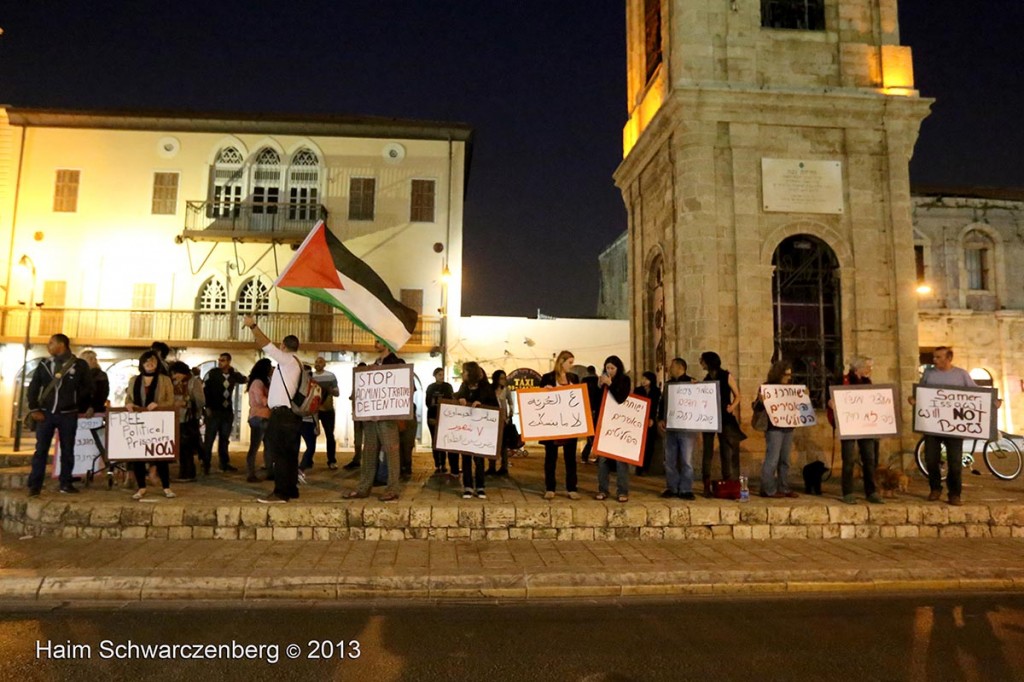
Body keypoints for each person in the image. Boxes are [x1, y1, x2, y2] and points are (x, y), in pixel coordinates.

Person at [243, 315, 304, 504]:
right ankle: (291, 489)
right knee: (290, 453)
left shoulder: (286, 360)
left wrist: (252, 325)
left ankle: (280, 493)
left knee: (280, 453)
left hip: (282, 414)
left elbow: (265, 344)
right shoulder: (297, 363)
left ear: (284, 346)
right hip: (291, 415)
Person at [25, 334, 94, 496]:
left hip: (68, 415)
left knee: (68, 449)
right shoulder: (45, 364)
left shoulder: (79, 365)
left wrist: (77, 404)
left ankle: (65, 483)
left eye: (51, 343)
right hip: (46, 414)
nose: (48, 346)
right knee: (40, 450)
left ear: (61, 344)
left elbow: (88, 388)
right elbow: (33, 387)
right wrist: (34, 408)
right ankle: (35, 485)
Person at [914, 346, 981, 506]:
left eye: (938, 357)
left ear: (948, 358)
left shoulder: (961, 375)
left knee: (955, 461)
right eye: (934, 357)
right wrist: (914, 400)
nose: (934, 360)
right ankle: (935, 488)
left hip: (954, 426)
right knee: (931, 459)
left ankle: (955, 493)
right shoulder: (929, 374)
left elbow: (977, 395)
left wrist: (993, 402)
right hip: (933, 425)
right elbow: (921, 393)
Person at [345, 341, 404, 502]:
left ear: (386, 343)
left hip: (387, 417)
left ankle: (392, 489)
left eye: (378, 341)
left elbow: (404, 388)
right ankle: (364, 488)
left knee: (391, 452)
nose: (375, 344)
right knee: (369, 452)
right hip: (371, 417)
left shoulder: (397, 363)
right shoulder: (374, 364)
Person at [828, 356, 883, 504]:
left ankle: (871, 491)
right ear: (858, 369)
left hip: (866, 426)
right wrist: (832, 404)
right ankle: (848, 492)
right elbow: (833, 398)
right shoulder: (843, 381)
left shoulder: (868, 383)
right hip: (849, 426)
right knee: (849, 460)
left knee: (869, 459)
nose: (870, 370)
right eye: (867, 367)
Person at [125, 350, 176, 500]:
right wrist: (129, 404)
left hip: (158, 422)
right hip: (138, 422)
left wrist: (158, 404)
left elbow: (170, 401)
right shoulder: (134, 380)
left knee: (160, 456)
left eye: (152, 361)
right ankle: (141, 487)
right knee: (138, 456)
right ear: (142, 364)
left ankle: (166, 487)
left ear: (157, 363)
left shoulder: (164, 380)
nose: (149, 364)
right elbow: (128, 398)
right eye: (146, 361)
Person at [539, 350, 582, 500]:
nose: (571, 365)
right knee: (551, 457)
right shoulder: (547, 378)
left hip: (570, 423)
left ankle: (572, 488)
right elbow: (539, 400)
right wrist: (545, 391)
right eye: (569, 362)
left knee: (570, 457)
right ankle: (550, 488)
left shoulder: (574, 378)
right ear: (561, 362)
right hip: (553, 423)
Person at [699, 351, 744, 494]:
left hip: (725, 417)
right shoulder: (706, 379)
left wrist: (732, 407)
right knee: (707, 450)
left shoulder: (726, 376)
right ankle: (706, 482)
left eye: (703, 360)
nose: (701, 362)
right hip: (709, 418)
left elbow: (738, 395)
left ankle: (728, 481)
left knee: (726, 449)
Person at [754, 361, 799, 499]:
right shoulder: (767, 388)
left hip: (788, 426)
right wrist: (761, 401)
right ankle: (768, 489)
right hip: (774, 428)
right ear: (778, 374)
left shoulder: (791, 388)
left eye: (790, 375)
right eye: (786, 375)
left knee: (785, 459)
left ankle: (783, 487)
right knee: (772, 458)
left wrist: (803, 396)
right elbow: (757, 408)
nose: (788, 378)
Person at [455, 361, 499, 499]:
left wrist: (481, 403)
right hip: (466, 428)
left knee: (479, 459)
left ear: (471, 372)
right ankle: (467, 487)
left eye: (465, 371)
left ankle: (480, 487)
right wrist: (460, 398)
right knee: (466, 457)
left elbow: (494, 405)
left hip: (481, 429)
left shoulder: (485, 386)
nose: (463, 373)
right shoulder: (464, 386)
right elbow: (457, 396)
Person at [657, 357, 697, 499]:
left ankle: (686, 489)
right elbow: (662, 403)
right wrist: (660, 418)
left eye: (672, 366)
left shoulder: (692, 383)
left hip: (686, 428)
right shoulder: (668, 385)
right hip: (671, 426)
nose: (669, 368)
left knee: (686, 459)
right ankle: (672, 487)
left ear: (681, 367)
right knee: (670, 459)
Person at [595, 355, 633, 502]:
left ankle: (622, 491)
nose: (609, 371)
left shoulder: (624, 380)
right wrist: (599, 387)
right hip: (605, 423)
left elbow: (620, 398)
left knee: (620, 459)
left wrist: (610, 384)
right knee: (603, 459)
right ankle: (603, 489)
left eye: (612, 368)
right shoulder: (602, 381)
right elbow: (597, 401)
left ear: (618, 368)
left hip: (620, 424)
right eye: (607, 368)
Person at [202, 352, 247, 473]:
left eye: (223, 360)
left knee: (224, 438)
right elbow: (205, 390)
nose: (220, 362)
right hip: (214, 410)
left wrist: (236, 373)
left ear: (228, 362)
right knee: (209, 438)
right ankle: (206, 463)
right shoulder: (213, 374)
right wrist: (207, 407)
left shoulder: (233, 374)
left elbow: (243, 379)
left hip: (226, 411)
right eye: (220, 360)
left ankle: (224, 462)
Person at [170, 361, 202, 482]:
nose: (174, 377)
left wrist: (186, 403)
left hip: (189, 419)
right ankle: (184, 472)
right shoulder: (173, 383)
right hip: (176, 418)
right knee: (180, 447)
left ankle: (188, 473)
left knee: (187, 446)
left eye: (176, 374)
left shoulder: (194, 382)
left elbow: (200, 401)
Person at [80, 349, 110, 469]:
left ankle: (97, 466)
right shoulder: (79, 375)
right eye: (89, 359)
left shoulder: (100, 375)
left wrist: (93, 407)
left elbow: (102, 394)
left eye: (94, 359)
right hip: (79, 411)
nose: (92, 361)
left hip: (94, 411)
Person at [245, 358, 272, 483]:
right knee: (255, 447)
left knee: (268, 446)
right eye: (270, 367)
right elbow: (261, 401)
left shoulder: (262, 382)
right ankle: (251, 473)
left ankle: (269, 471)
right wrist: (273, 400)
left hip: (264, 417)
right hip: (259, 416)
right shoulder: (258, 383)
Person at [312, 357, 340, 470]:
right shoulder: (311, 377)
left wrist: (330, 391)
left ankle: (332, 460)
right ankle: (309, 459)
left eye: (319, 362)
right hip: (314, 410)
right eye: (316, 362)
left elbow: (337, 392)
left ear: (324, 364)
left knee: (329, 435)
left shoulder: (331, 376)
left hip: (327, 410)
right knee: (312, 435)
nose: (317, 364)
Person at [425, 367, 455, 475]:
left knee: (443, 440)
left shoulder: (447, 387)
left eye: (442, 374)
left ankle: (444, 463)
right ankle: (437, 463)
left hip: (445, 417)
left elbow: (451, 400)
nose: (441, 377)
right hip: (433, 416)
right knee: (435, 440)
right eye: (439, 375)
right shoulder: (431, 387)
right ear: (435, 376)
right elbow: (428, 403)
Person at [634, 371, 661, 476]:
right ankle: (638, 467)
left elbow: (655, 405)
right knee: (639, 444)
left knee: (649, 445)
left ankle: (646, 467)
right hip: (639, 419)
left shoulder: (655, 391)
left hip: (650, 419)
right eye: (643, 378)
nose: (643, 381)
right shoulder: (638, 390)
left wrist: (651, 418)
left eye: (646, 379)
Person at [487, 369, 514, 476]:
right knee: (491, 443)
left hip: (503, 420)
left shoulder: (506, 390)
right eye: (501, 378)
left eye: (504, 378)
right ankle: (491, 466)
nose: (504, 380)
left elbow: (511, 403)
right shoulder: (490, 389)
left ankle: (504, 467)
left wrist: (509, 415)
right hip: (492, 420)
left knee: (503, 445)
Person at [343, 362, 367, 471]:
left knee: (366, 438)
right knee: (358, 437)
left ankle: (363, 459)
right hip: (358, 414)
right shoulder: (357, 382)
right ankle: (357, 458)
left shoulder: (367, 383)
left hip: (366, 415)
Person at [579, 365, 601, 464]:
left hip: (587, 409)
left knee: (590, 435)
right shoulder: (598, 380)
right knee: (596, 434)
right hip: (598, 410)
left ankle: (585, 455)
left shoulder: (584, 381)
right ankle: (595, 455)